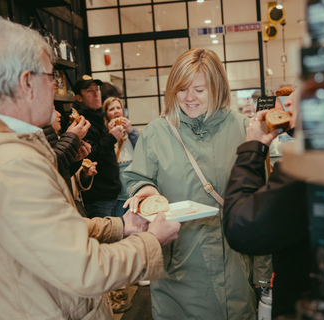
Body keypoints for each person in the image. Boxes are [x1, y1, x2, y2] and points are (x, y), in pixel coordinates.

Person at [0, 17, 180, 320]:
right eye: (52, 77)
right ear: (26, 82)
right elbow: (84, 268)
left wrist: (121, 226)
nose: (57, 87)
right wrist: (151, 242)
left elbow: (46, 232)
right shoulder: (12, 166)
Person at [122, 48, 273, 320]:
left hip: (235, 268)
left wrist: (262, 274)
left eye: (199, 90)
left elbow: (261, 202)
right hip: (177, 268)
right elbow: (139, 178)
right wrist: (145, 192)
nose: (189, 98)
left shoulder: (244, 129)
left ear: (217, 87)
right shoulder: (157, 132)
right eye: (181, 89)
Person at [223, 90, 312, 317]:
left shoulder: (306, 166)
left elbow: (241, 225)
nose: (288, 100)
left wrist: (252, 150)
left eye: (298, 91)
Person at [73, 75, 123, 218]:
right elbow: (88, 154)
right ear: (79, 98)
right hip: (98, 197)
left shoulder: (98, 117)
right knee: (106, 238)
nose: (96, 94)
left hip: (111, 193)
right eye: (89, 91)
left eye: (97, 89)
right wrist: (112, 137)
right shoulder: (81, 122)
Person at [43, 108, 97, 216]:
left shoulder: (59, 139)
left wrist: (76, 160)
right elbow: (50, 170)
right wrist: (73, 137)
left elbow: (62, 173)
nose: (59, 114)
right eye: (53, 110)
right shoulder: (42, 140)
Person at [103, 97, 139, 218]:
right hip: (114, 189)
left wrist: (130, 130)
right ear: (106, 114)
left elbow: (143, 150)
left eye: (118, 108)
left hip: (132, 185)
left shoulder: (132, 132)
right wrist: (110, 135)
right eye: (111, 109)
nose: (116, 111)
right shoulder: (104, 134)